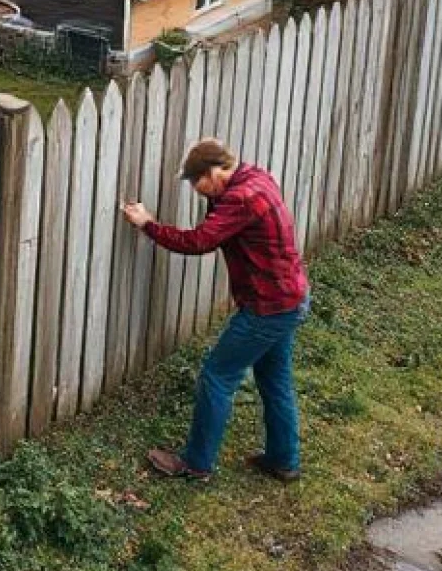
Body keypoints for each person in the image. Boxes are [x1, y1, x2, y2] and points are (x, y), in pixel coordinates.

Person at [121, 138, 309, 484]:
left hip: (267, 307)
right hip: (290, 299)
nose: (195, 190)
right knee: (274, 379)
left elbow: (199, 241)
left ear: (213, 173)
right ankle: (284, 461)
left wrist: (148, 223)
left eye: (197, 182)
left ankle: (196, 464)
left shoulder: (239, 198)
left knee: (217, 375)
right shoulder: (255, 178)